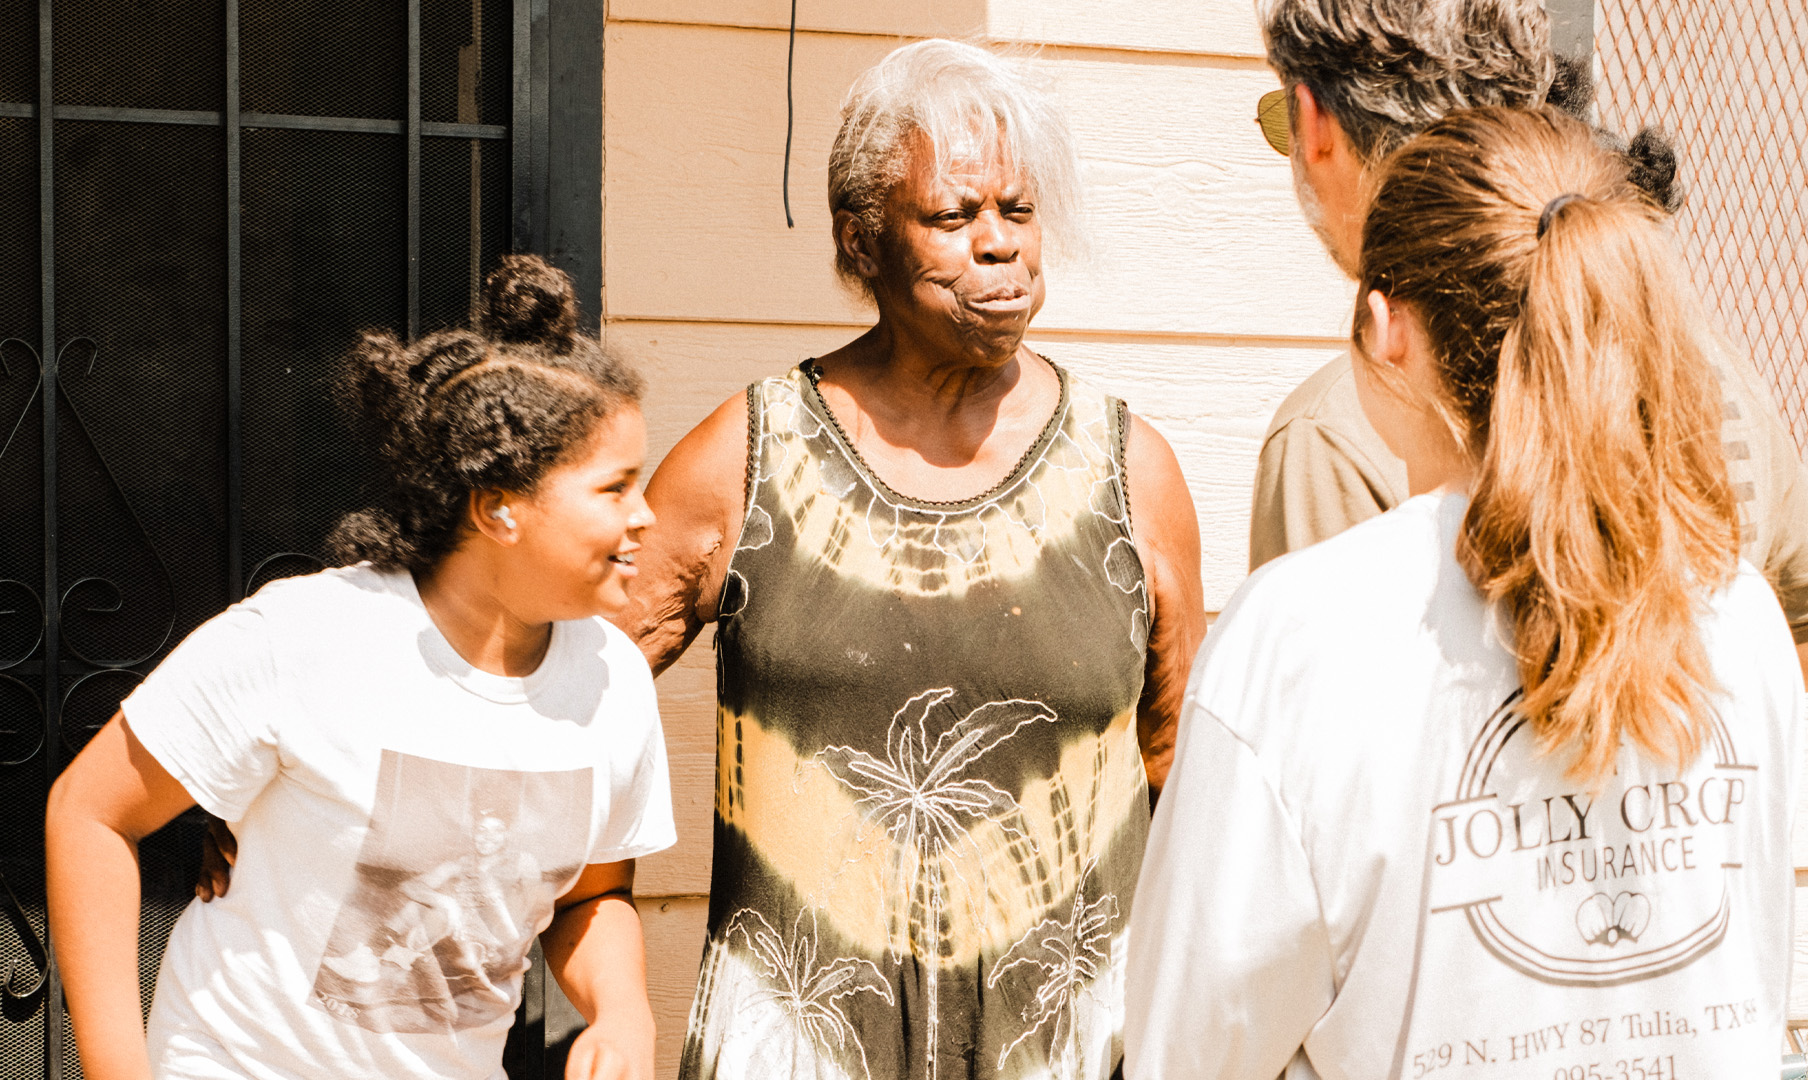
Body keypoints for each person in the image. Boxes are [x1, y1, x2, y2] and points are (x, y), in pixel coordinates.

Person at [1127, 106, 1804, 1080]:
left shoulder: (1299, 638)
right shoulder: (1736, 612)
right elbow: (1750, 985)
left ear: (1384, 326)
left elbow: (1192, 1050)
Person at [624, 39, 1205, 1080]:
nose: (1000, 248)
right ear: (861, 240)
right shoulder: (748, 456)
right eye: (952, 217)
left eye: (1018, 214)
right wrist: (604, 961)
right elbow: (583, 688)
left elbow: (1179, 773)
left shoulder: (1131, 472)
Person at [47, 256, 676, 1080]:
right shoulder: (306, 638)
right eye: (615, 488)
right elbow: (90, 814)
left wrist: (623, 1015)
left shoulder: (614, 684)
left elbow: (591, 896)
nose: (646, 515)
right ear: (500, 509)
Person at [1246, 0, 1808, 691]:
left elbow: (1331, 745)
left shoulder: (1339, 423)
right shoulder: (1695, 358)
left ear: (1313, 122)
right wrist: (1668, 694)